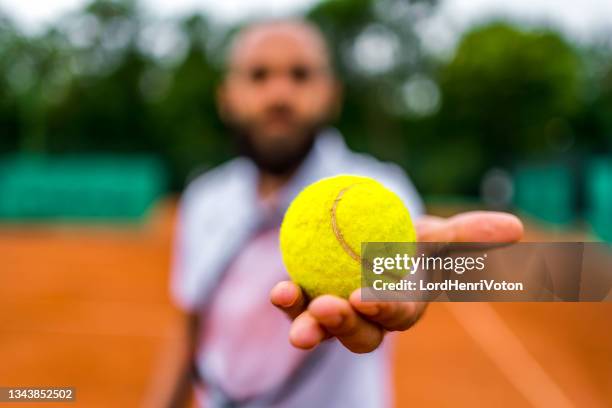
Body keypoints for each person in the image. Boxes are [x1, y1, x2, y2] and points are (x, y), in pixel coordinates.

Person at [161, 19, 523, 408]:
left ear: (331, 94)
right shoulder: (203, 200)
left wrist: (412, 286)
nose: (279, 93)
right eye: (259, 75)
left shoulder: (382, 190)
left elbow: (412, 273)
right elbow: (192, 332)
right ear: (226, 96)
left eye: (300, 75)